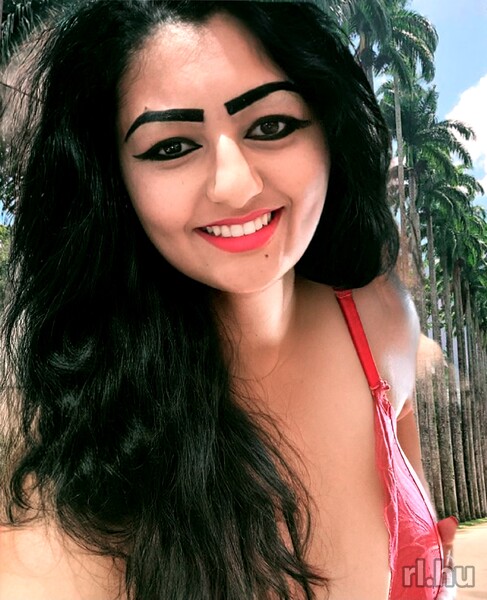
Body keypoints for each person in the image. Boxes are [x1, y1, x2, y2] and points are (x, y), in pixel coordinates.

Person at [0, 1, 457, 598]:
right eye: (171, 147)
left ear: (328, 128)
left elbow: (424, 555)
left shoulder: (383, 319)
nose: (236, 185)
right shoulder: (75, 442)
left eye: (271, 126)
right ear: (112, 181)